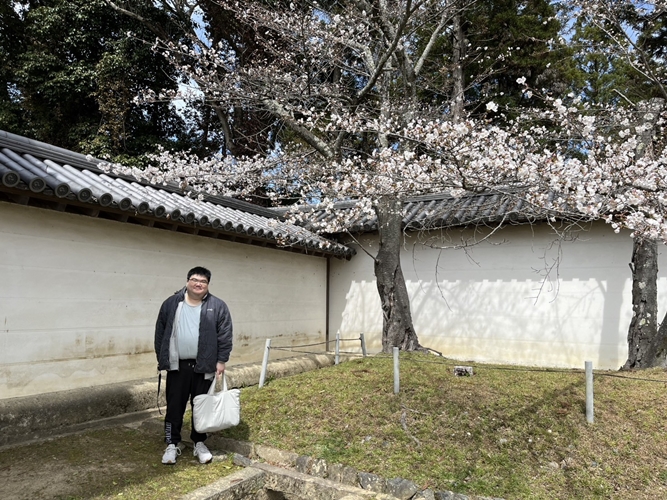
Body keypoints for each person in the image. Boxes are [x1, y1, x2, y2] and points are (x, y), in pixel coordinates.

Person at [154, 266, 233, 465]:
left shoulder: (217, 306)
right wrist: (162, 358)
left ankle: (199, 442)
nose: (199, 284)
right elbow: (160, 333)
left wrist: (221, 360)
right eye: (195, 280)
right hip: (177, 366)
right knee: (175, 406)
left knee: (202, 407)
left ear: (208, 285)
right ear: (188, 281)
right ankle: (172, 443)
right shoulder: (172, 303)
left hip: (204, 366)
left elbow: (225, 335)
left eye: (203, 281)